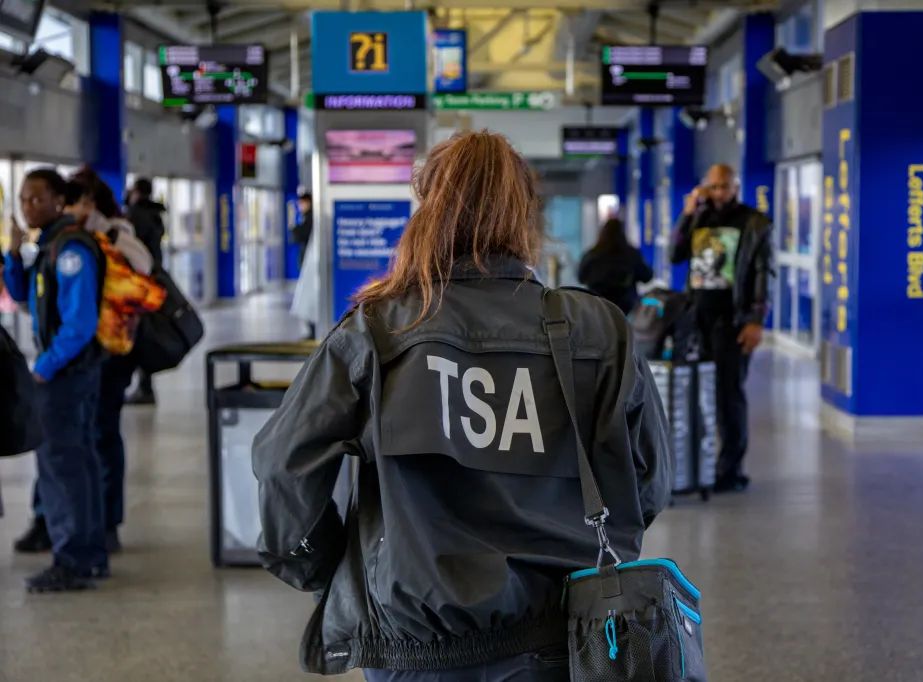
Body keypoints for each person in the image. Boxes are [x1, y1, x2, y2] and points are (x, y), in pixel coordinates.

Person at [253, 131, 672, 679]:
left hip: (420, 649)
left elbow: (284, 467)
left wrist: (326, 568)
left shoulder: (376, 332)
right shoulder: (597, 329)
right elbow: (649, 482)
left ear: (429, 211)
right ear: (526, 217)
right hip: (571, 640)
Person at [2, 168, 109, 592]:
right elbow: (26, 297)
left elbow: (79, 324)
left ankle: (74, 559)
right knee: (75, 463)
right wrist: (13, 254)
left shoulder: (71, 251)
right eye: (24, 199)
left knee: (64, 467)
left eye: (36, 199)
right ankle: (88, 553)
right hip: (66, 372)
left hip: (69, 375)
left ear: (59, 202)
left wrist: (43, 367)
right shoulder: (48, 246)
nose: (28, 206)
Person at [670, 163, 772, 494]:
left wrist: (755, 321)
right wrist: (687, 213)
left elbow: (762, 273)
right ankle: (696, 467)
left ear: (735, 188)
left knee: (729, 395)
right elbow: (674, 254)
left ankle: (731, 470)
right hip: (697, 319)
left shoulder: (753, 222)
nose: (718, 193)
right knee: (694, 394)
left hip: (732, 321)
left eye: (724, 187)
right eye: (712, 187)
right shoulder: (699, 218)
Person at [68, 170, 155, 553]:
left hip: (114, 348)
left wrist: (108, 235)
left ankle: (108, 521)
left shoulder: (118, 231)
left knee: (103, 430)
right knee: (82, 432)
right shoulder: (68, 237)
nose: (76, 209)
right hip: (82, 350)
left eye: (82, 200)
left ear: (96, 202)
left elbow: (145, 266)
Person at [124, 177, 165, 406]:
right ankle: (144, 384)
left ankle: (144, 387)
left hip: (139, 281)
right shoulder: (155, 215)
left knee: (139, 334)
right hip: (152, 279)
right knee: (145, 332)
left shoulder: (137, 216)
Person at [577, 217, 654, 315]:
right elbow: (647, 277)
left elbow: (581, 277)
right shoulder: (631, 254)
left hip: (597, 307)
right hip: (625, 308)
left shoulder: (592, 255)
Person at [290, 191, 316, 340]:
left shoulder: (311, 218)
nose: (300, 206)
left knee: (308, 299)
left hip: (311, 266)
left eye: (302, 203)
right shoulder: (309, 218)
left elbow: (300, 234)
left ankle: (313, 331)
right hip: (308, 264)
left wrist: (294, 229)